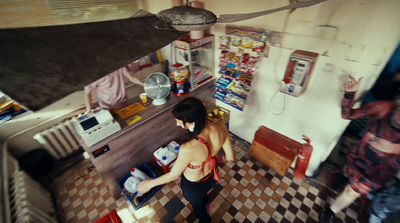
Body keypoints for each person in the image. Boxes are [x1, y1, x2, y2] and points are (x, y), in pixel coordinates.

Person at [137, 97, 234, 223]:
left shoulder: (188, 148)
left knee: (199, 209)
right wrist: (214, 154)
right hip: (211, 178)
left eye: (179, 121)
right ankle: (205, 203)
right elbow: (230, 157)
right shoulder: (221, 126)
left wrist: (149, 184)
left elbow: (173, 175)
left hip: (193, 186)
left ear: (192, 122)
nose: (177, 124)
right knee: (203, 197)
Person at [319, 74, 400, 223]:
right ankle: (331, 208)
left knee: (352, 191)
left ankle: (329, 212)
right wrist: (350, 93)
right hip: (361, 158)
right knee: (351, 186)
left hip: (383, 169)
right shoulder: (383, 108)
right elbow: (347, 114)